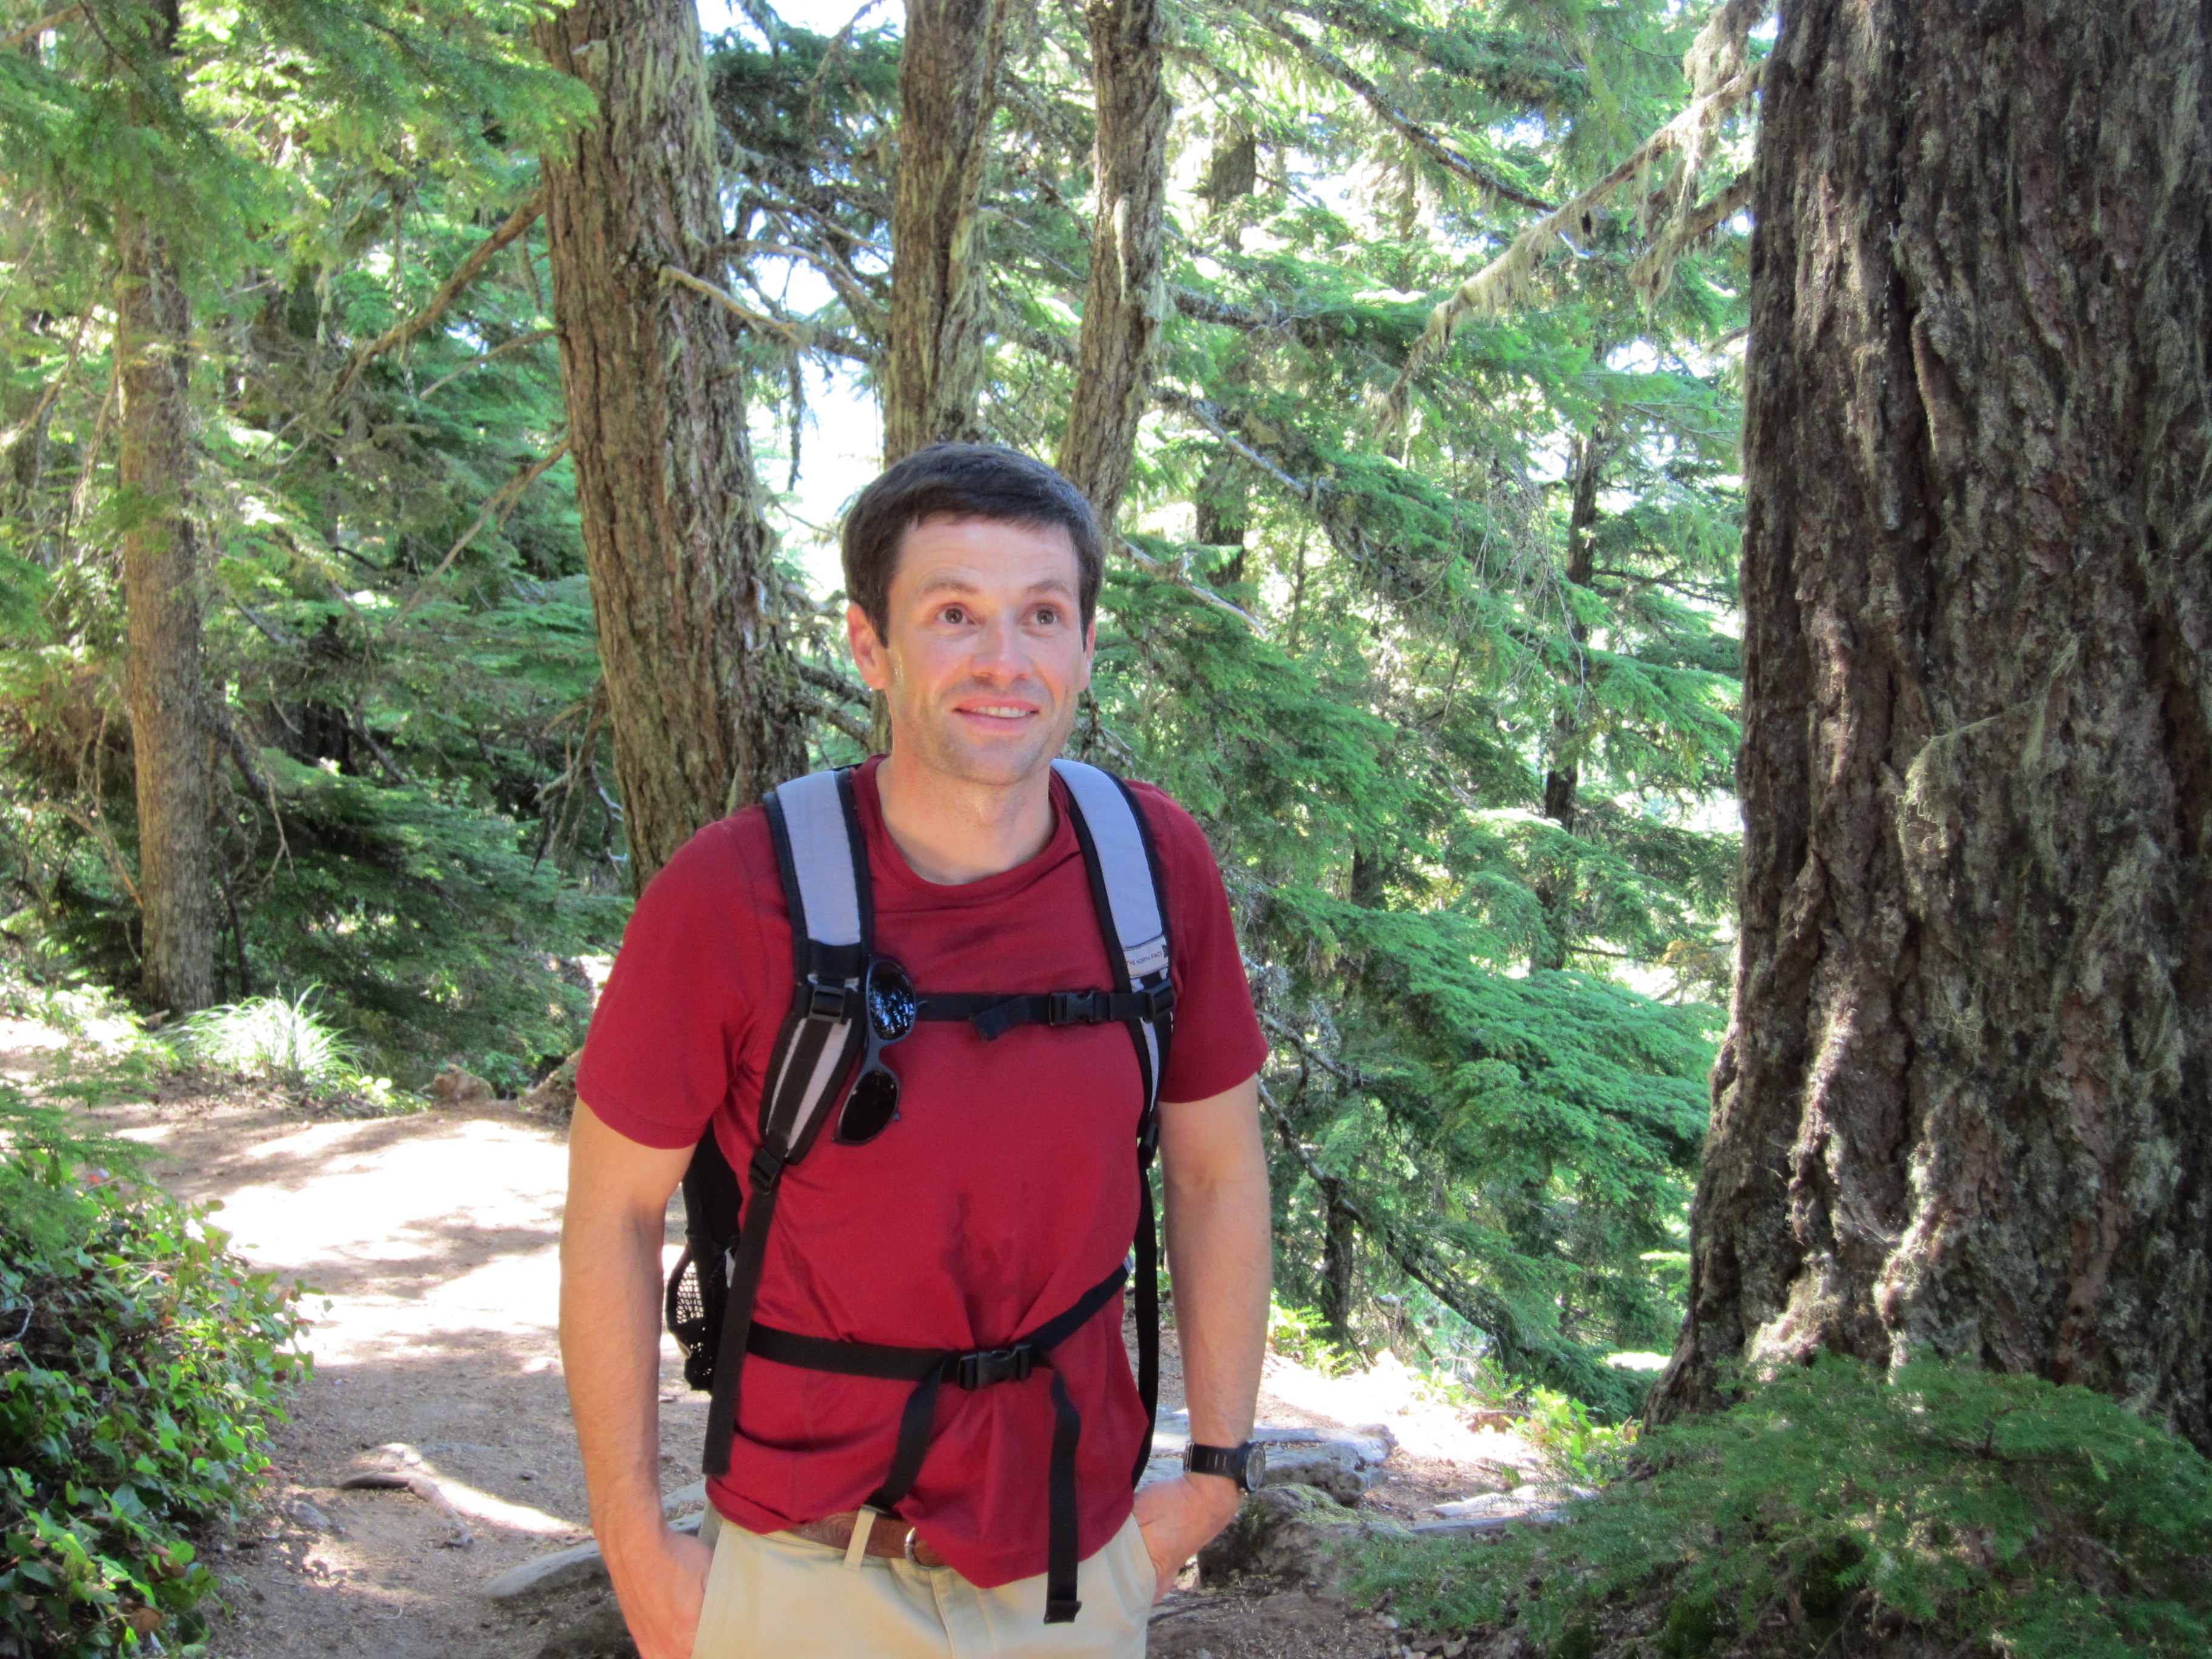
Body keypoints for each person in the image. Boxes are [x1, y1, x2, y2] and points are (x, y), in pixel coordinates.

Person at [560, 442, 1273, 1659]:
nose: (1005, 659)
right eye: (954, 614)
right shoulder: (733, 894)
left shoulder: (1152, 870)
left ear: (1084, 646)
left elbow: (1217, 1170)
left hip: (1074, 1567)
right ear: (870, 646)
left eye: (1042, 614)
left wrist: (1214, 1472)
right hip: (802, 1573)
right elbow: (611, 1211)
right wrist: (635, 1545)